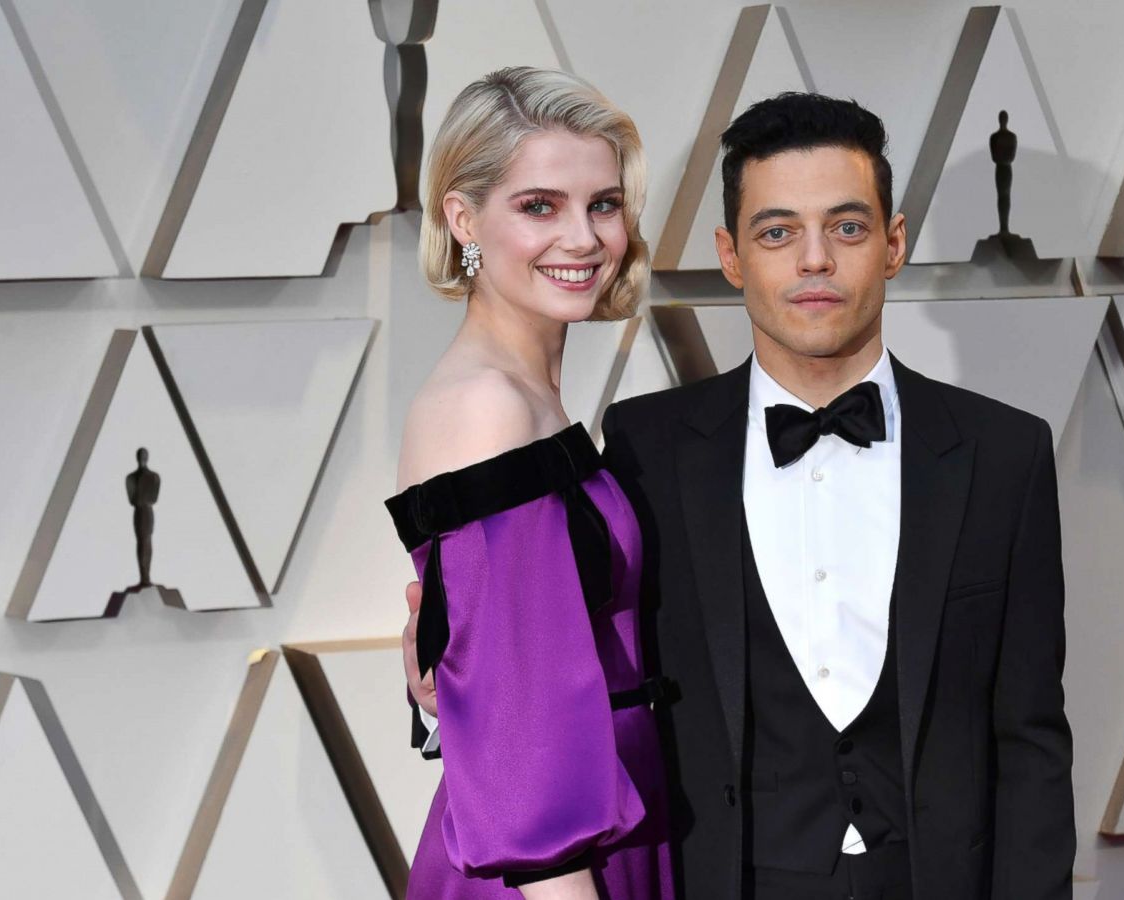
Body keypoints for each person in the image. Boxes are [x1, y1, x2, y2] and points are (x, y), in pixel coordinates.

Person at [407, 91, 1075, 900]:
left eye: (849, 227)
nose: (815, 260)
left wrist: (448, 683)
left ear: (894, 244)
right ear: (731, 255)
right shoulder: (644, 445)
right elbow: (525, 675)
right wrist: (460, 691)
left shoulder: (1006, 453)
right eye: (777, 231)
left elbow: (1032, 740)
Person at [383, 66, 672, 900]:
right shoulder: (486, 408)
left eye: (603, 204)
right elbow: (520, 727)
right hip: (557, 867)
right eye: (539, 206)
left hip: (606, 820)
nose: (582, 238)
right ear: (463, 217)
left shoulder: (528, 396)